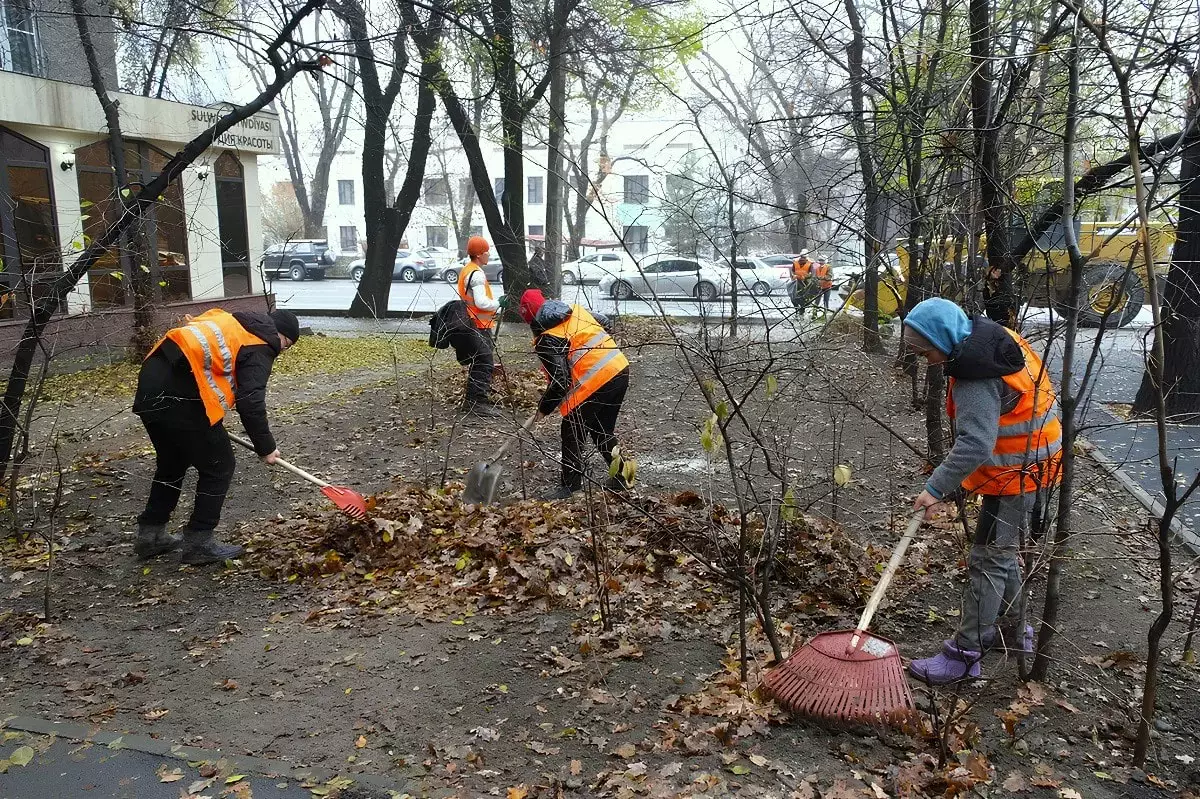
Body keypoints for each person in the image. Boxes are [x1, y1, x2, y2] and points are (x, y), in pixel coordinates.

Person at [903, 297, 1061, 684]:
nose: (928, 362)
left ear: (944, 337)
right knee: (1001, 554)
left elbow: (976, 443)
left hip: (1017, 474)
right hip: (1036, 462)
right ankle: (1012, 630)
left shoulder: (975, 376)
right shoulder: (994, 337)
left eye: (926, 352)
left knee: (987, 560)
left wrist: (935, 489)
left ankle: (964, 654)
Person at [132, 308, 301, 565]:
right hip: (182, 397)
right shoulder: (261, 342)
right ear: (281, 336)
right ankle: (199, 541)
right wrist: (266, 447)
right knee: (220, 465)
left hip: (151, 386)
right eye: (286, 345)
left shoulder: (231, 321)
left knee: (172, 463)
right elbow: (251, 403)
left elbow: (204, 368)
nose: (281, 351)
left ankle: (150, 535)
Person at [518, 289, 630, 500]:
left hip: (598, 379)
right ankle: (623, 475)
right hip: (619, 368)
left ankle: (570, 486)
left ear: (530, 322)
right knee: (601, 429)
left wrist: (544, 408)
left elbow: (560, 381)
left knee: (571, 426)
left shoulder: (546, 338)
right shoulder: (574, 312)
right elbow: (604, 322)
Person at [453, 236, 505, 417]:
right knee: (484, 363)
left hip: (473, 323)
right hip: (478, 325)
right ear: (480, 254)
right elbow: (481, 303)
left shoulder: (468, 270)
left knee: (479, 362)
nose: (489, 255)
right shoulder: (477, 274)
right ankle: (476, 403)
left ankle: (475, 400)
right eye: (487, 252)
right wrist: (498, 303)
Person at [982, 263, 1017, 328]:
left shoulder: (1001, 283)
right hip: (997, 318)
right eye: (997, 271)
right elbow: (992, 302)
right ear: (993, 272)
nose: (1000, 272)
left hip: (1005, 317)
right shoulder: (989, 286)